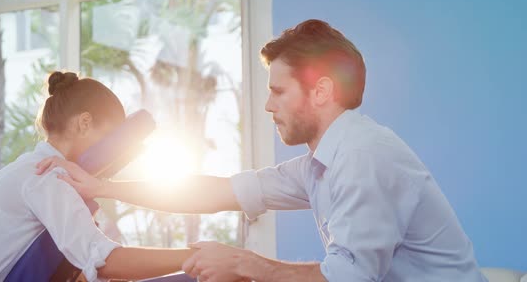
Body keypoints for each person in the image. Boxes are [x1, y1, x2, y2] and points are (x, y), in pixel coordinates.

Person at [37, 20, 488, 282]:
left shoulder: (364, 156)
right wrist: (106, 188)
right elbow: (214, 192)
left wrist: (243, 262)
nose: (268, 105)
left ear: (321, 91)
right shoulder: (320, 163)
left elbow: (348, 279)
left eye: (279, 91)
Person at [0, 71, 195, 281]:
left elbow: (82, 262)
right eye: (110, 139)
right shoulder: (47, 176)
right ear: (85, 123)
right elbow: (103, 260)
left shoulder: (29, 169)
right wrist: (195, 257)